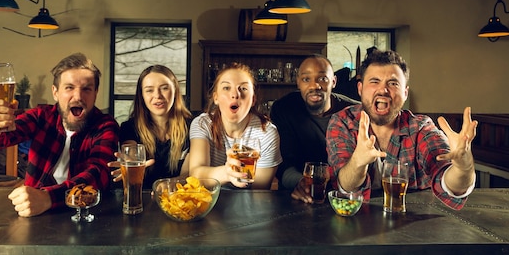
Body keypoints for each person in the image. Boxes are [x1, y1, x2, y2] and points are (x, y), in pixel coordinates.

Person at [326, 49, 478, 210]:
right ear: (360, 89)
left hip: (416, 226)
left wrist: (464, 168)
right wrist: (357, 161)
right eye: (374, 81)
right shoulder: (342, 122)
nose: (383, 90)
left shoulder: (420, 128)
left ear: (405, 93)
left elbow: (448, 181)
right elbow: (346, 186)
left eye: (393, 83)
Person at [0, 52, 119, 217]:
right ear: (55, 92)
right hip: (35, 212)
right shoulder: (41, 116)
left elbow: (98, 174)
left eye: (86, 89)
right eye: (69, 88)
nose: (78, 96)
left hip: (85, 214)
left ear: (95, 93)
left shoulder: (105, 125)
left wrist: (49, 198)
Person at [270, 54, 359, 203]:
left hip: (344, 196)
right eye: (306, 79)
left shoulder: (353, 111)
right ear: (298, 82)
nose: (314, 86)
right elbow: (283, 162)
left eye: (322, 79)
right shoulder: (284, 108)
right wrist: (303, 183)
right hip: (295, 195)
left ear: (334, 81)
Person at [189, 62, 282, 190]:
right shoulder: (202, 124)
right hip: (210, 202)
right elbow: (195, 176)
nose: (235, 94)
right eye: (226, 88)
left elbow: (259, 192)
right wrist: (227, 173)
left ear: (253, 100)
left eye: (243, 88)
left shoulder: (267, 133)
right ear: (215, 98)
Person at [108, 65, 192, 188]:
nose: (157, 95)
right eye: (149, 90)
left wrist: (171, 184)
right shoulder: (129, 128)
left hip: (178, 200)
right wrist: (130, 167)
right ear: (141, 95)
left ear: (175, 91)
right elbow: (131, 157)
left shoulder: (192, 127)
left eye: (164, 88)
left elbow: (189, 174)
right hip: (142, 199)